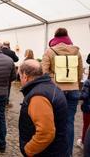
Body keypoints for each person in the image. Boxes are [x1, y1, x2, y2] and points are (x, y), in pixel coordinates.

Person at [42, 28, 83, 156]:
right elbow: (80, 72)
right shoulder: (76, 51)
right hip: (73, 89)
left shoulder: (50, 51)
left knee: (54, 121)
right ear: (67, 36)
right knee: (69, 122)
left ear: (55, 37)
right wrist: (74, 82)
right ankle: (68, 154)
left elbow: (44, 72)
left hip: (56, 90)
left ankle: (55, 152)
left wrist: (54, 79)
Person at [18, 59, 68, 156]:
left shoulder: (38, 96)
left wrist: (28, 150)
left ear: (25, 76)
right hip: (57, 149)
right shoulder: (50, 86)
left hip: (47, 152)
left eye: (19, 76)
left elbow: (46, 133)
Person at [77, 78, 90, 149]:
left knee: (86, 126)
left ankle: (84, 143)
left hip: (88, 109)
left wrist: (78, 96)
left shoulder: (88, 82)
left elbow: (84, 96)